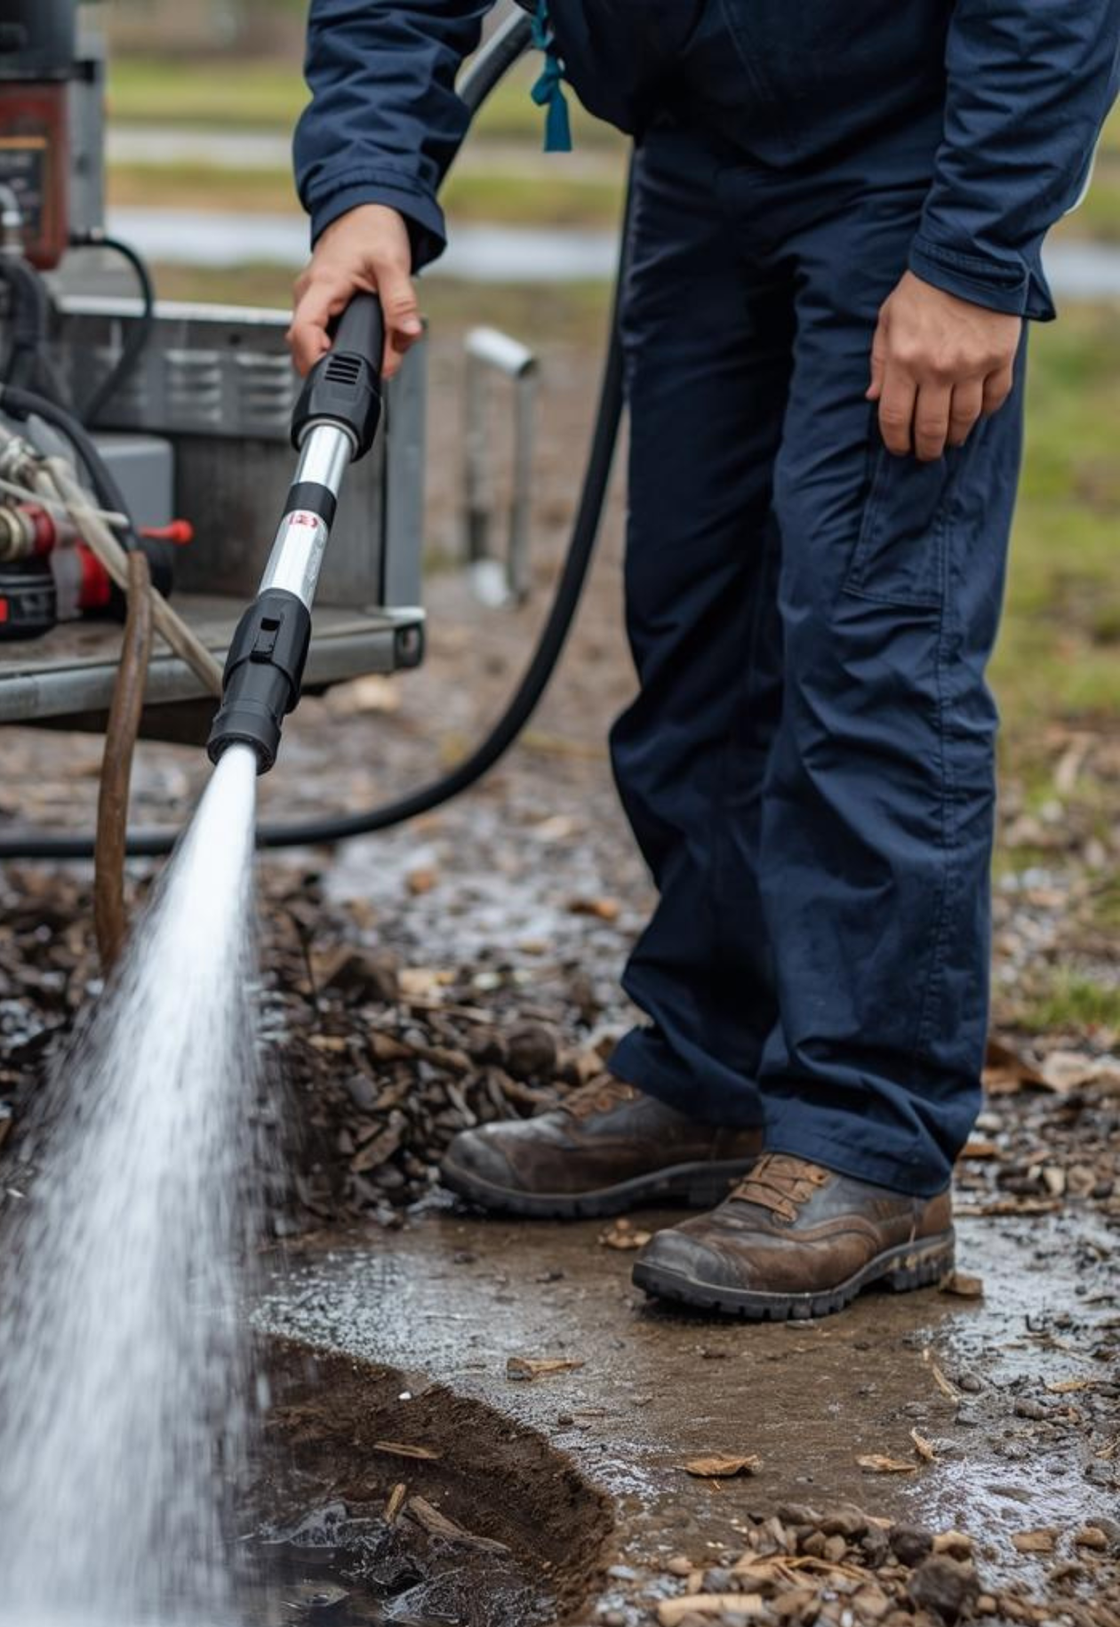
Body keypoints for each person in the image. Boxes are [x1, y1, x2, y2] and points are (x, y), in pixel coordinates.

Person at [291, 1, 1120, 1320]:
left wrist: (972, 255)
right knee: (697, 623)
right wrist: (365, 193)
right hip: (697, 153)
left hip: (903, 163)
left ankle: (873, 1143)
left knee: (872, 644)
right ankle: (716, 1070)